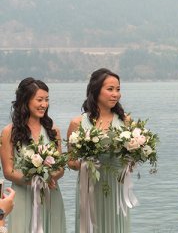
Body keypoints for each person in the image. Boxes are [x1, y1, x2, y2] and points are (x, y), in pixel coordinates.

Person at [67, 68, 131, 233]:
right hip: (90, 186)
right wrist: (87, 160)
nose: (115, 94)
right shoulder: (77, 123)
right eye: (110, 89)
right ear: (95, 91)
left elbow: (131, 154)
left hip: (117, 185)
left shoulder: (125, 121)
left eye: (118, 89)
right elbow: (71, 162)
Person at [0, 78, 67, 232]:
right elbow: (8, 171)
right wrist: (35, 181)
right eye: (39, 100)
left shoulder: (53, 131)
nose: (44, 104)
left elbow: (60, 167)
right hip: (23, 195)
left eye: (47, 100)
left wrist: (50, 177)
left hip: (51, 195)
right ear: (25, 101)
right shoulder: (9, 132)